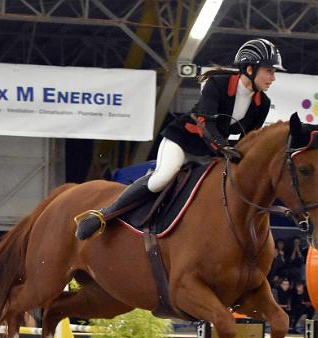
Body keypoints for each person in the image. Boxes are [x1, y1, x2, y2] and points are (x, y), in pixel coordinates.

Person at [75, 38, 283, 240]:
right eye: (269, 71)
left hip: (210, 152)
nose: (273, 78)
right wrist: (223, 146)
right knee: (162, 178)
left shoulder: (262, 103)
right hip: (182, 140)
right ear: (250, 69)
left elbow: (251, 139)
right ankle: (103, 215)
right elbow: (204, 122)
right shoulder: (217, 84)